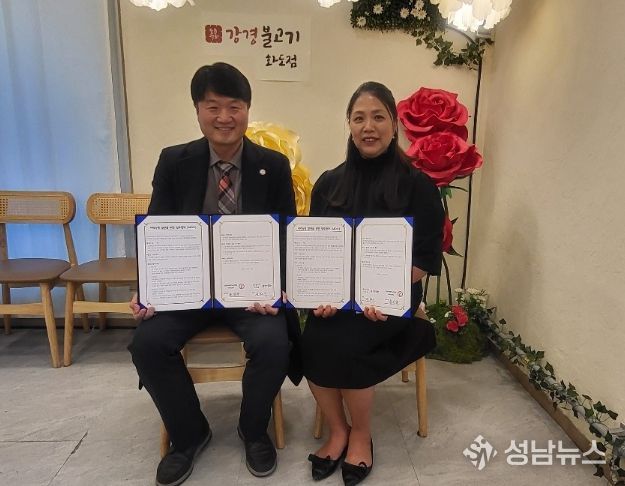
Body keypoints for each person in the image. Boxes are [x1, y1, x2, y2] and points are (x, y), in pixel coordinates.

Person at [128, 62, 300, 486]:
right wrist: (148, 289)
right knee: (147, 343)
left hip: (250, 291)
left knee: (274, 341)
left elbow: (286, 235)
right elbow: (158, 231)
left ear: (247, 110)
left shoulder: (273, 165)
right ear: (197, 110)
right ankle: (189, 434)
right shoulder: (174, 161)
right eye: (213, 107)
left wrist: (277, 289)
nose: (224, 117)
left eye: (234, 107)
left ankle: (253, 429)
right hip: (188, 288)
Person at [300, 82, 444, 486]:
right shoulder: (329, 183)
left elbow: (424, 258)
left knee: (350, 343)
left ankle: (361, 434)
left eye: (378, 117)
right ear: (349, 125)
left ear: (394, 125)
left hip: (390, 296)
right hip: (337, 297)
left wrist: (382, 291)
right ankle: (338, 430)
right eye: (359, 118)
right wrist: (319, 295)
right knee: (312, 340)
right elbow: (317, 250)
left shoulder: (418, 185)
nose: (369, 126)